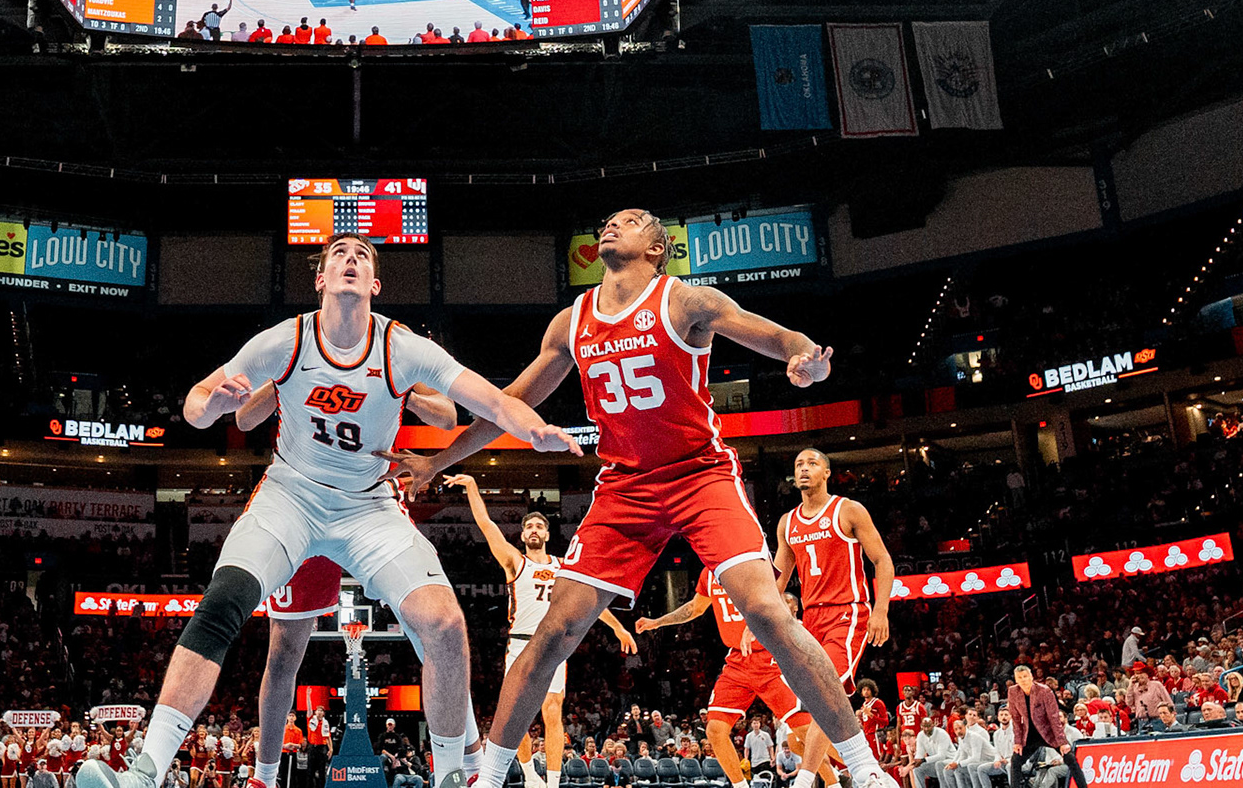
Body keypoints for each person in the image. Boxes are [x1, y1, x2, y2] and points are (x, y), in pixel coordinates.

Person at [381, 208, 894, 788]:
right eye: (609, 220)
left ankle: (865, 768)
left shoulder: (685, 302)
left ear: (658, 248)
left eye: (630, 221)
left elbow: (774, 334)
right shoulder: (570, 323)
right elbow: (509, 404)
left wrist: (805, 359)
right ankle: (491, 776)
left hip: (699, 474)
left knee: (767, 611)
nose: (611, 224)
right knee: (555, 632)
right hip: (625, 488)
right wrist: (435, 460)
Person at [76, 234, 580, 788]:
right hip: (292, 495)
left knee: (444, 624)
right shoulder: (286, 339)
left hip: (369, 505)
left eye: (362, 256)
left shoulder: (401, 347)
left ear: (375, 284)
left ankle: (451, 775)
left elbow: (488, 398)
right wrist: (212, 406)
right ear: (320, 279)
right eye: (339, 253)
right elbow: (197, 401)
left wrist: (534, 430)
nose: (350, 259)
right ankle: (147, 771)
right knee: (222, 604)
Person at [231, 383, 484, 788]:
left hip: (370, 506)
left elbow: (447, 415)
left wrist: (402, 392)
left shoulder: (390, 345)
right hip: (299, 505)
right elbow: (244, 419)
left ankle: (463, 766)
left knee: (436, 627)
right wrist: (282, 380)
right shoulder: (296, 344)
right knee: (284, 651)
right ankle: (263, 778)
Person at [444, 473, 635, 788]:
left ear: (547, 533)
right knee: (517, 715)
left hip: (555, 645)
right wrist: (473, 489)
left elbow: (589, 605)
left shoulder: (565, 567)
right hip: (520, 643)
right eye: (528, 526)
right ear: (522, 536)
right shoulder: (514, 562)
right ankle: (530, 774)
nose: (533, 530)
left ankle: (554, 780)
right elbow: (487, 527)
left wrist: (618, 629)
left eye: (539, 526)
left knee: (552, 709)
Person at [775, 449, 895, 788]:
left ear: (827, 473)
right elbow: (778, 579)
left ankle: (807, 780)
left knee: (826, 694)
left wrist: (881, 610)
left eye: (812, 464)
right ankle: (871, 772)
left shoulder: (848, 510)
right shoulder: (788, 522)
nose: (804, 469)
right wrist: (755, 617)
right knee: (820, 701)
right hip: (810, 619)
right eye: (798, 464)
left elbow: (882, 561)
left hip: (847, 611)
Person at [635, 573, 809, 788]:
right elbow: (693, 609)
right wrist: (658, 622)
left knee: (806, 732)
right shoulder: (708, 573)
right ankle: (740, 786)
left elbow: (782, 599)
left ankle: (842, 774)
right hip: (738, 659)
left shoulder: (749, 562)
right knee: (715, 729)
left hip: (770, 655)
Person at [1008, 665, 1086, 788]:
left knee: (1069, 758)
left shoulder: (1044, 691)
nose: (1023, 679)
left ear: (1031, 677)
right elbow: (1016, 719)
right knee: (1015, 761)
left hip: (1048, 732)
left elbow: (1054, 717)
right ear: (1016, 680)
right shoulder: (1013, 691)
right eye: (1020, 677)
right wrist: (1018, 741)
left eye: (1025, 676)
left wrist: (1062, 742)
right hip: (1029, 735)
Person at [939, 710, 992, 788]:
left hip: (983, 760)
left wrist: (958, 764)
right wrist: (954, 762)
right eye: (970, 714)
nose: (971, 717)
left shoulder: (978, 734)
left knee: (961, 768)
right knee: (948, 769)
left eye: (974, 715)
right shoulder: (962, 736)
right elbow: (961, 752)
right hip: (969, 761)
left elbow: (977, 757)